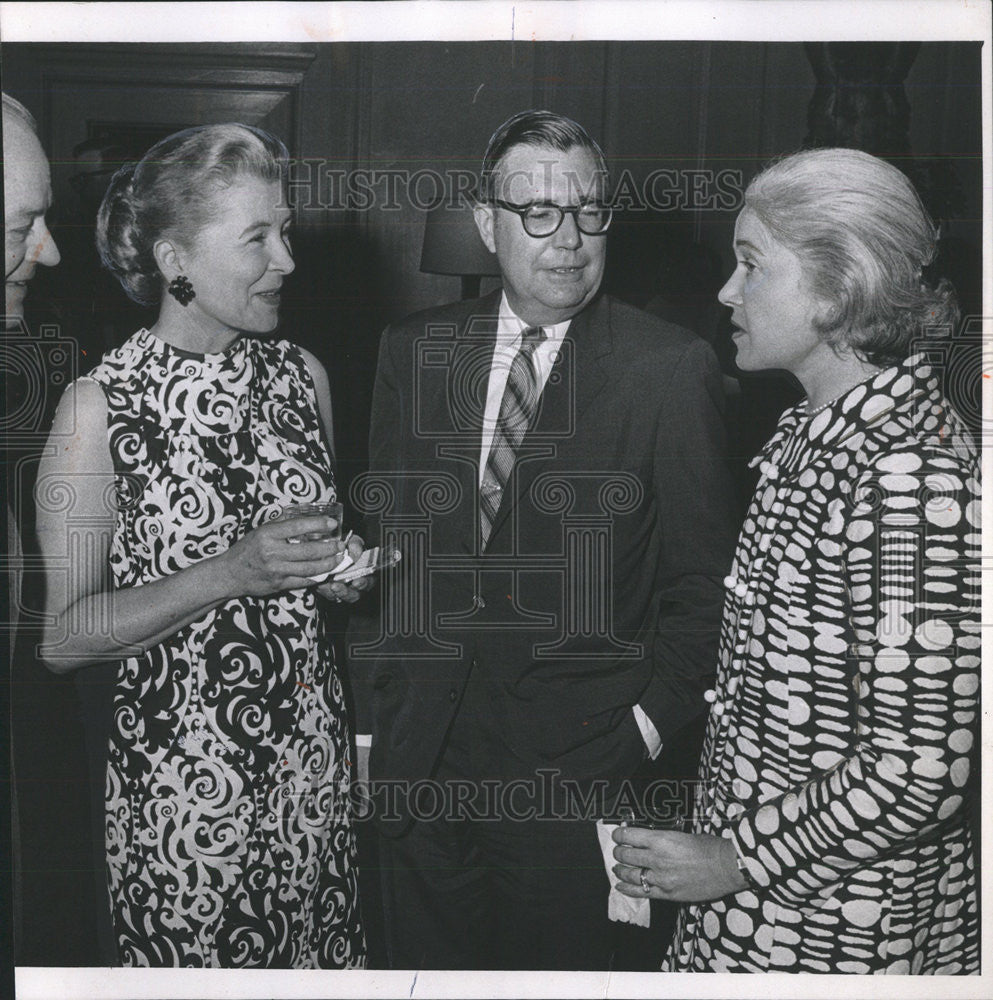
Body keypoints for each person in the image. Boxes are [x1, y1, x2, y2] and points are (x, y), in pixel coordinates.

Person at [352, 109, 737, 970]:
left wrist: (639, 732)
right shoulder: (412, 351)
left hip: (579, 788)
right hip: (423, 775)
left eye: (588, 210)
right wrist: (374, 736)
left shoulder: (668, 369)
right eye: (536, 213)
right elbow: (394, 558)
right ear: (486, 225)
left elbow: (704, 593)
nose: (568, 239)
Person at [612, 147, 980, 974]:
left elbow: (917, 768)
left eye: (751, 265)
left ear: (838, 283)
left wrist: (733, 857)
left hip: (839, 935)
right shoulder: (816, 434)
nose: (725, 292)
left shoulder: (906, 475)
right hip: (760, 916)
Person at [35, 123, 369, 968]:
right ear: (174, 258)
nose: (287, 258)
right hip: (183, 800)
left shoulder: (304, 376)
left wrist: (339, 570)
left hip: (311, 778)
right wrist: (231, 572)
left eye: (284, 230)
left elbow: (308, 560)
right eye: (257, 237)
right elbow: (63, 640)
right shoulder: (97, 410)